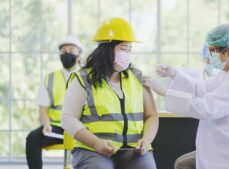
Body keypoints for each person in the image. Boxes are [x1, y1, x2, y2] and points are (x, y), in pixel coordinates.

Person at [145, 24, 229, 169]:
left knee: (184, 164)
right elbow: (201, 88)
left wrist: (164, 92)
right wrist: (175, 74)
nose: (210, 56)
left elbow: (207, 108)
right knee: (183, 164)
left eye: (212, 51)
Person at [61, 17, 158, 169]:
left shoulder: (137, 78)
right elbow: (67, 118)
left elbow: (152, 115)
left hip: (132, 150)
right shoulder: (83, 79)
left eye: (130, 49)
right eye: (123, 48)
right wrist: (96, 143)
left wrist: (146, 140)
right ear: (106, 49)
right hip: (92, 149)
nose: (127, 54)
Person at [26, 35, 83, 169]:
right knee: (32, 138)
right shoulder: (50, 78)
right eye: (63, 50)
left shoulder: (87, 75)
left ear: (80, 54)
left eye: (72, 50)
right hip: (56, 129)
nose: (67, 53)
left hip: (82, 129)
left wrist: (85, 68)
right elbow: (43, 110)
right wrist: (46, 125)